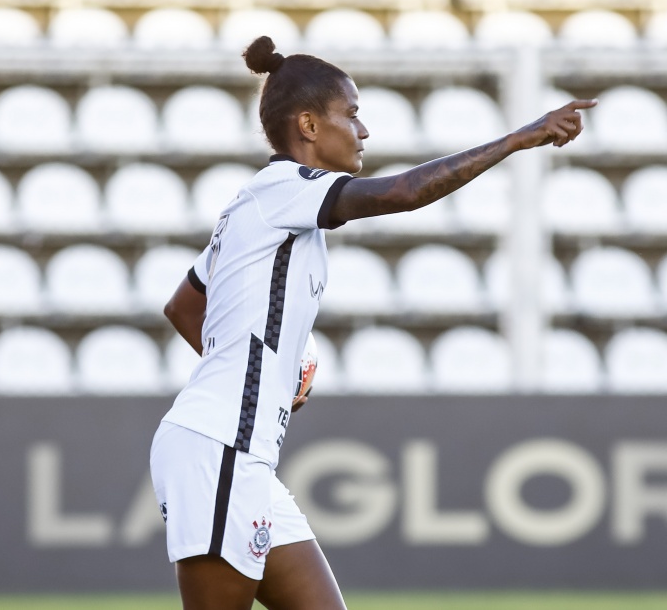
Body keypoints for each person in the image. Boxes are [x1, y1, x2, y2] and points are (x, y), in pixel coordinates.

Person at [152, 34, 595, 610]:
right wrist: (518, 138)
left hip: (242, 453)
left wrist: (273, 371)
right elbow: (405, 193)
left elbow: (182, 306)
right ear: (309, 125)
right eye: (352, 115)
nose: (363, 132)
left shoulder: (258, 205)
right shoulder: (285, 189)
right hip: (219, 446)